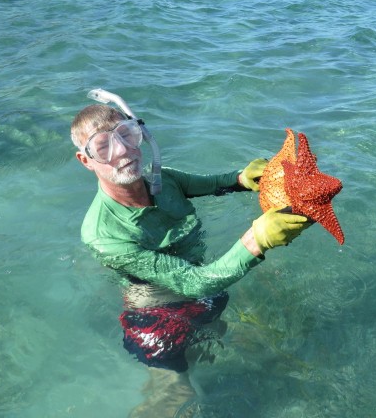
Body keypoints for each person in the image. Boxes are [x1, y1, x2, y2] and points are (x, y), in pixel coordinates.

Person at [70, 99, 311, 415]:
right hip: (158, 320)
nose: (123, 151)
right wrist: (257, 240)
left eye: (127, 135)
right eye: (103, 147)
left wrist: (244, 178)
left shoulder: (165, 179)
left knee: (243, 346)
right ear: (86, 160)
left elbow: (214, 184)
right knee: (177, 394)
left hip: (206, 293)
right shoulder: (101, 234)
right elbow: (194, 283)